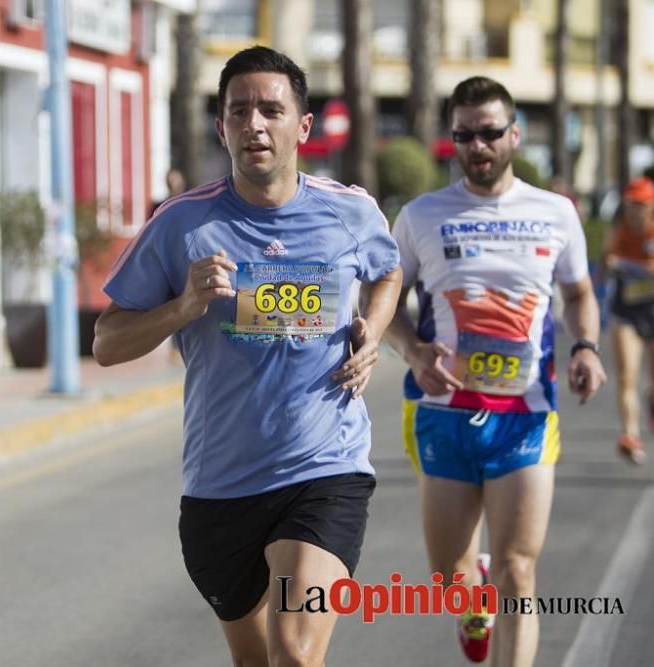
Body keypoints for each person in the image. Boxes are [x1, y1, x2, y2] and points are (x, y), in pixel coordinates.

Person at [94, 46, 402, 666]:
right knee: (257, 660)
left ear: (302, 127)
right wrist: (182, 307)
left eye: (271, 109)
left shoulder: (349, 212)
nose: (255, 124)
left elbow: (388, 270)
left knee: (294, 652)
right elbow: (105, 343)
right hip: (221, 485)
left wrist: (373, 333)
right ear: (222, 127)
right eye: (240, 111)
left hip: (325, 469)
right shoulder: (182, 224)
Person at [385, 76, 607, 666]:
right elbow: (379, 302)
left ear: (514, 134)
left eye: (488, 133)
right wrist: (411, 351)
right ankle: (469, 596)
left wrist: (585, 345)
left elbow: (580, 292)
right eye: (464, 135)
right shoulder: (420, 216)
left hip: (525, 416)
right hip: (442, 413)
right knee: (450, 578)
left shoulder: (554, 212)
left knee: (518, 570)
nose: (477, 146)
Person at [603, 176, 654, 465]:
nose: (636, 209)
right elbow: (605, 262)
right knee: (627, 375)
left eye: (641, 204)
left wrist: (624, 265)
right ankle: (630, 435)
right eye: (631, 203)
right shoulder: (618, 231)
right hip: (627, 311)